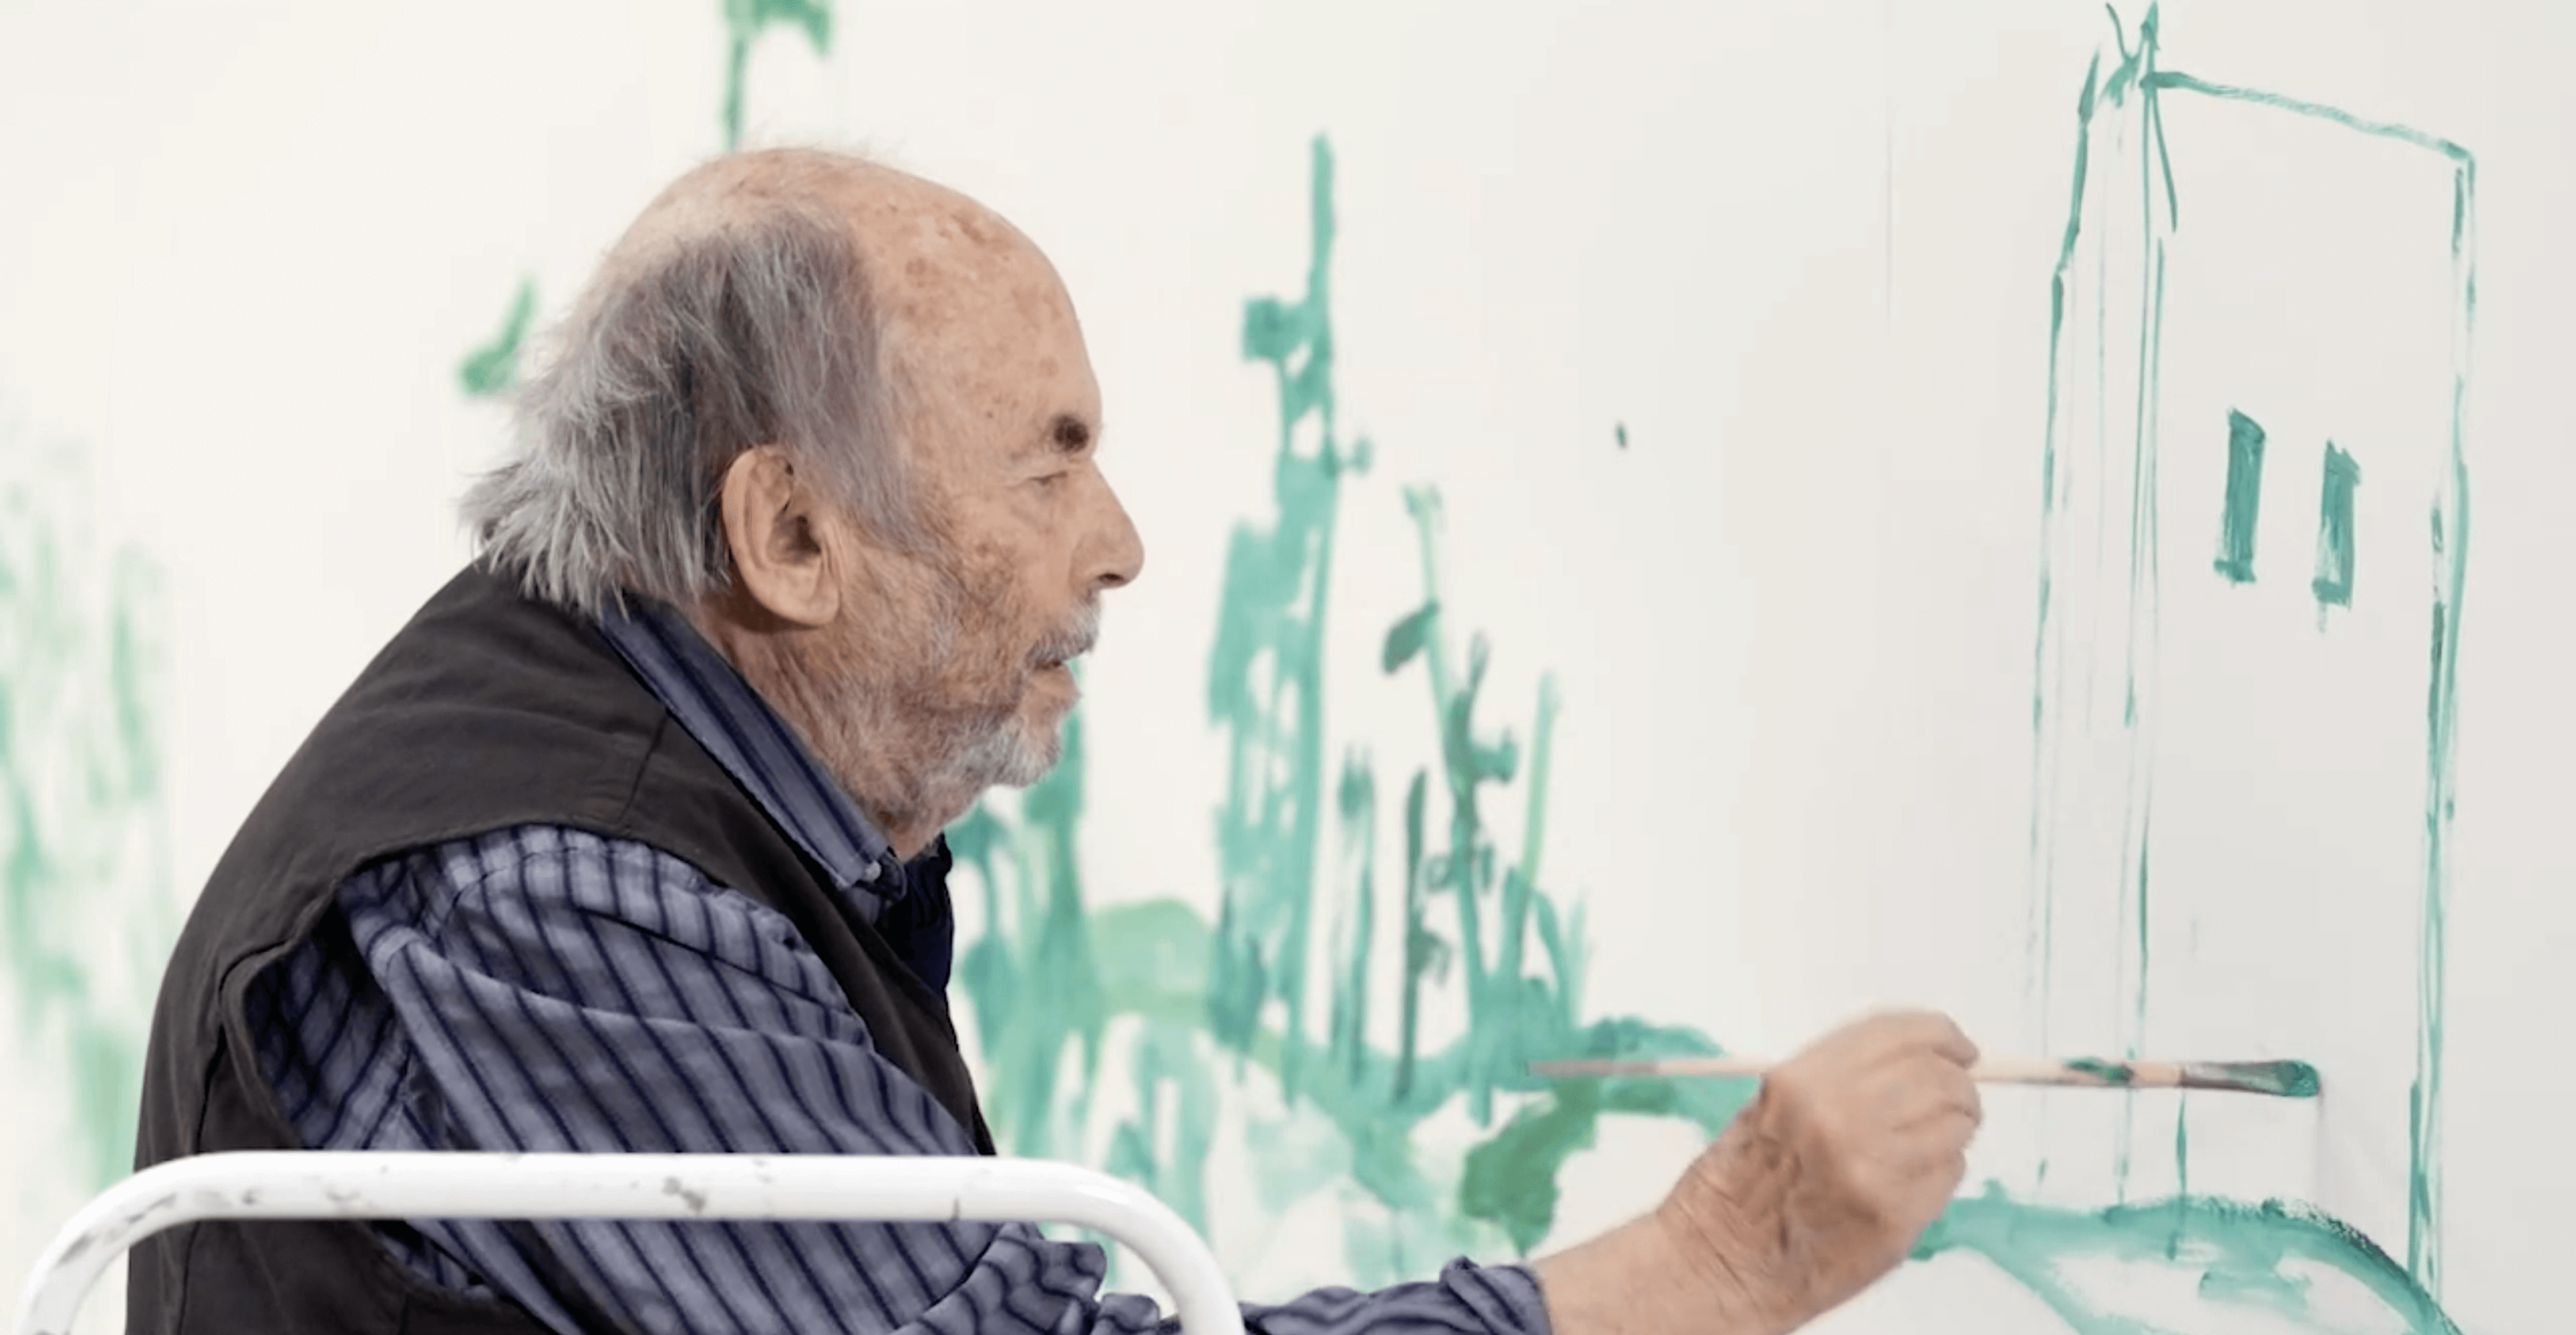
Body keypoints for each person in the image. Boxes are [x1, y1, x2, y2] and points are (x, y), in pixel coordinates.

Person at [128, 147, 1983, 1335]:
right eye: (1054, 460)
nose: (1120, 544)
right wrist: (1719, 1261)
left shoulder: (674, 792)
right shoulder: (554, 882)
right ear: (790, 536)